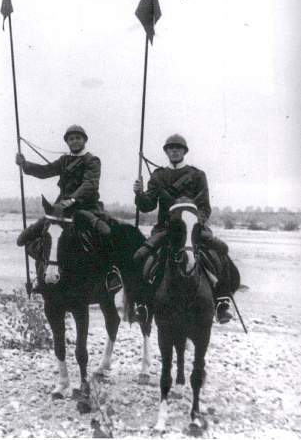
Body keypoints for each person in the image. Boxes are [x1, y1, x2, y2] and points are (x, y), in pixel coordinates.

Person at [133, 134, 233, 324]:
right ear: (166, 151)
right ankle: (143, 304)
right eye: (171, 148)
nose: (174, 151)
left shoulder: (197, 175)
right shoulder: (158, 176)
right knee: (142, 257)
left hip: (193, 227)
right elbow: (147, 206)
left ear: (184, 151)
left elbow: (204, 206)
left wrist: (196, 223)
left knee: (219, 253)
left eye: (178, 148)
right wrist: (139, 194)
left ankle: (221, 302)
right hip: (165, 229)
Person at [15, 124, 122, 292]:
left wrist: (72, 199)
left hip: (86, 207)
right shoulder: (64, 160)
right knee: (26, 237)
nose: (74, 141)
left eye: (78, 138)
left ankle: (110, 273)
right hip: (61, 209)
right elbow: (46, 171)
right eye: (71, 139)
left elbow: (90, 184)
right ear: (67, 142)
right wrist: (25, 165)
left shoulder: (92, 160)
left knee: (105, 232)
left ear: (84, 140)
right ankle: (42, 275)